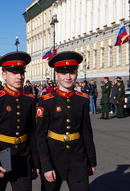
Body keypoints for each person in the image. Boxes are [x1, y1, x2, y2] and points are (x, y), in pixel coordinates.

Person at [36, 51, 96, 191]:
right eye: (63, 73)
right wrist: (46, 164)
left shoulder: (82, 99)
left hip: (78, 158)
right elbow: (40, 136)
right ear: (57, 75)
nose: (68, 77)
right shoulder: (46, 101)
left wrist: (91, 160)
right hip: (54, 157)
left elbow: (86, 132)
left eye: (72, 73)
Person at [0, 51, 40, 191]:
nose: (20, 76)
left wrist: (35, 162)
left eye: (22, 72)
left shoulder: (29, 99)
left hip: (23, 158)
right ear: (4, 75)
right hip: (0, 157)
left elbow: (32, 133)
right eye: (14, 73)